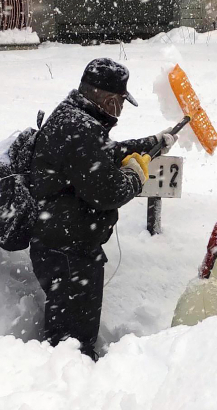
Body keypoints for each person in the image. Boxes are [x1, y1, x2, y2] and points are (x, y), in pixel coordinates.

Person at [28, 58, 173, 358]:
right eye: (120, 102)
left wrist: (152, 143)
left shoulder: (74, 119)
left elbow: (106, 154)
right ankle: (71, 389)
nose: (120, 110)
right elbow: (108, 192)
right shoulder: (80, 129)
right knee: (72, 347)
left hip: (61, 246)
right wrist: (135, 175)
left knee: (65, 338)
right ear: (109, 100)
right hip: (69, 254)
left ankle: (64, 378)